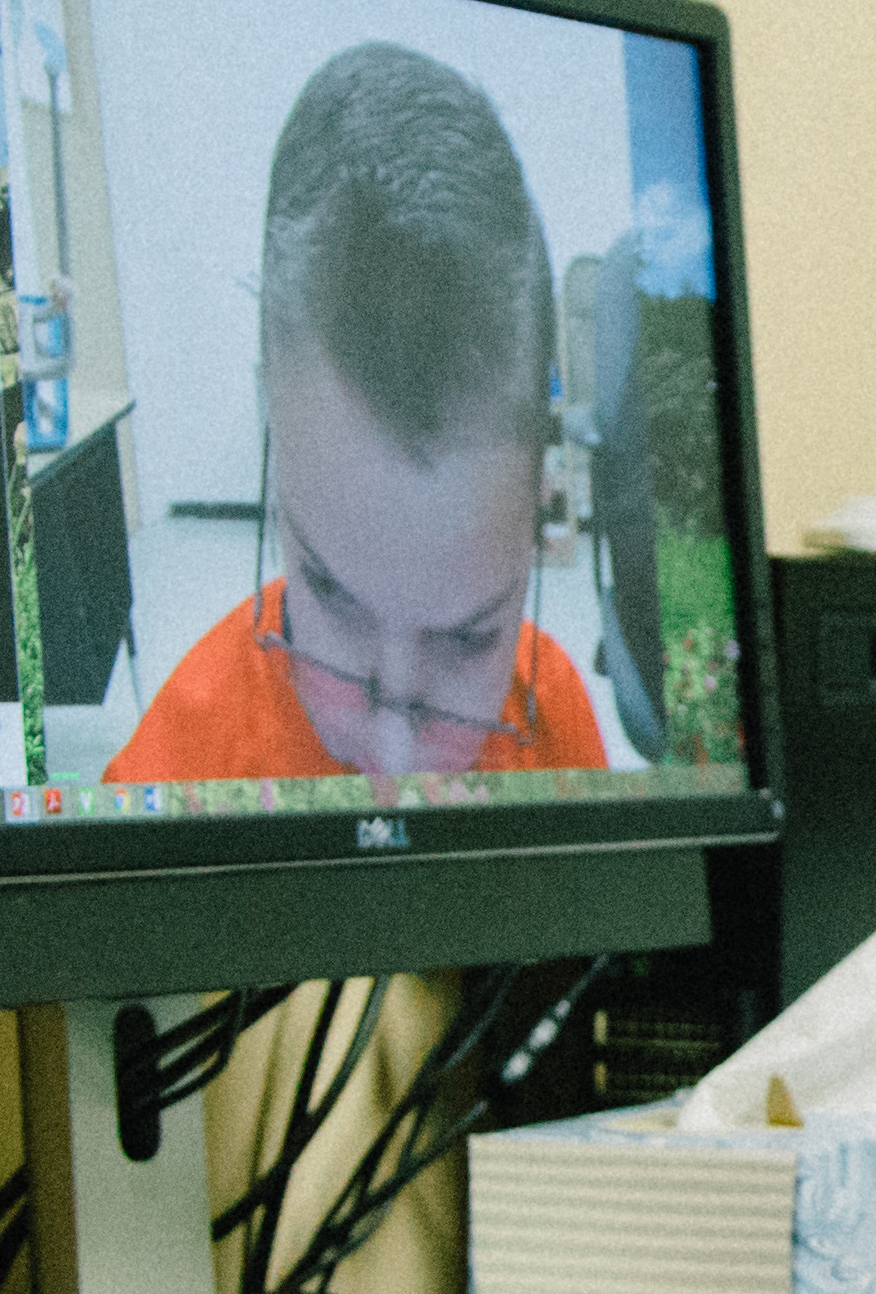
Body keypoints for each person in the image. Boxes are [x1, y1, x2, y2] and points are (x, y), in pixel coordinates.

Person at [110, 42, 606, 796]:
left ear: (541, 507)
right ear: (275, 462)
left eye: (469, 637)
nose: (395, 753)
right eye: (335, 599)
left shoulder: (554, 722)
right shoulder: (178, 773)